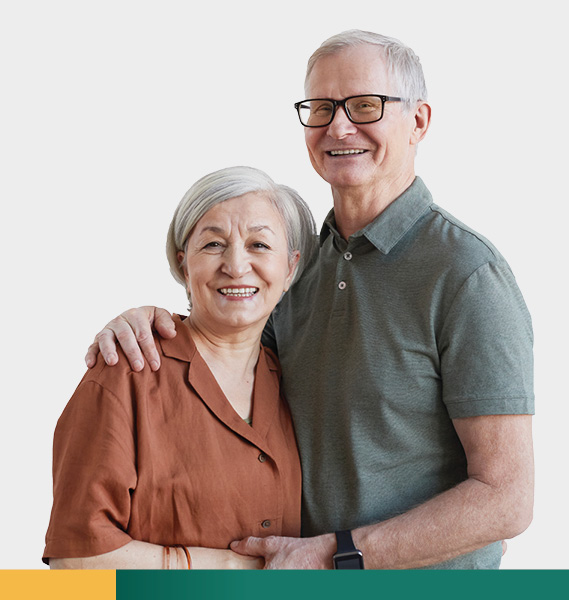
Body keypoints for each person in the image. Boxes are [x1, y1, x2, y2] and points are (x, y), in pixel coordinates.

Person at [85, 30, 535, 569]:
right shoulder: (298, 266)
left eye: (365, 105)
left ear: (418, 122)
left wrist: (338, 553)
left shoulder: (467, 274)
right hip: (296, 578)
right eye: (321, 108)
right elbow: (230, 355)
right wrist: (151, 322)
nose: (339, 127)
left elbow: (506, 499)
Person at [43, 166, 317, 569]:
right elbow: (76, 562)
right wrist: (238, 567)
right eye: (213, 245)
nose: (236, 265)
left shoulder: (294, 381)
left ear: (290, 268)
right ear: (183, 263)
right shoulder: (126, 371)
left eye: (259, 244)